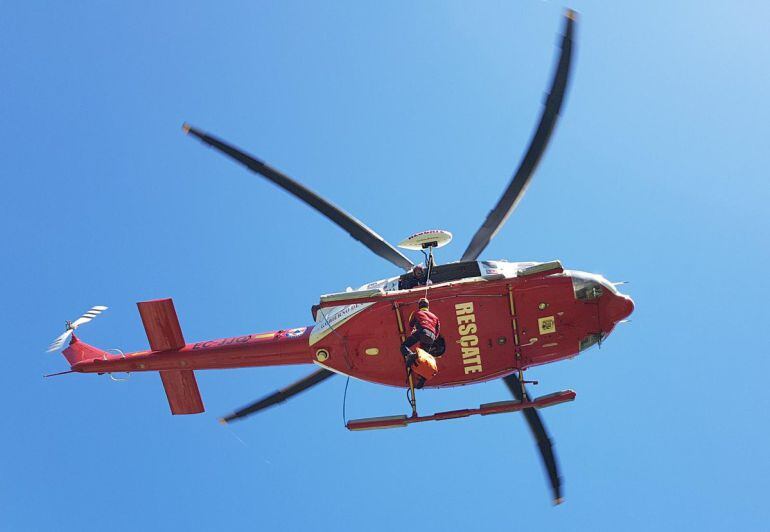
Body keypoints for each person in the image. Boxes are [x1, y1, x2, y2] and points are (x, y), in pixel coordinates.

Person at [401, 297, 440, 363]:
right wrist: (432, 339)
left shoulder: (416, 313)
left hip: (422, 331)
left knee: (404, 346)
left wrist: (413, 333)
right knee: (422, 357)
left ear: (419, 306)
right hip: (432, 336)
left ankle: (410, 355)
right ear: (428, 306)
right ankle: (415, 359)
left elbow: (411, 324)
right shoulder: (435, 317)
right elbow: (437, 330)